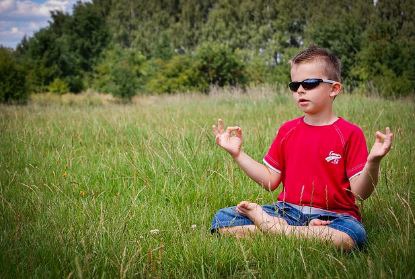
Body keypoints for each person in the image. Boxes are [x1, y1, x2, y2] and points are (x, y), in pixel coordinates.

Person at [210, 46, 394, 251]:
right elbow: (271, 181)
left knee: (351, 237)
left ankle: (276, 230)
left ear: (334, 89)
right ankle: (295, 231)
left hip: (335, 217)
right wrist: (237, 154)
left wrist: (373, 162)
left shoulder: (349, 133)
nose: (300, 90)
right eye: (295, 84)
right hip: (286, 212)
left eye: (310, 83)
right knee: (222, 220)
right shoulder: (288, 130)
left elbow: (359, 194)